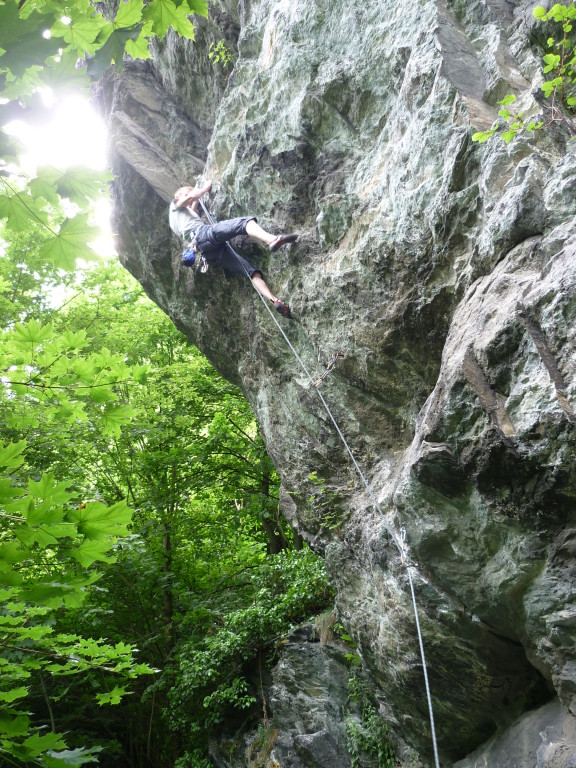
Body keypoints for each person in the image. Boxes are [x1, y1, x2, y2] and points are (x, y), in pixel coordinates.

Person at [169, 180, 298, 317]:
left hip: (207, 251)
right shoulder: (174, 205)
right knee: (245, 223)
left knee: (251, 273)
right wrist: (205, 188)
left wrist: (196, 193)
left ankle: (273, 300)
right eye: (186, 195)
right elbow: (191, 197)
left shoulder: (177, 218)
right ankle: (272, 239)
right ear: (177, 198)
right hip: (204, 235)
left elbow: (192, 204)